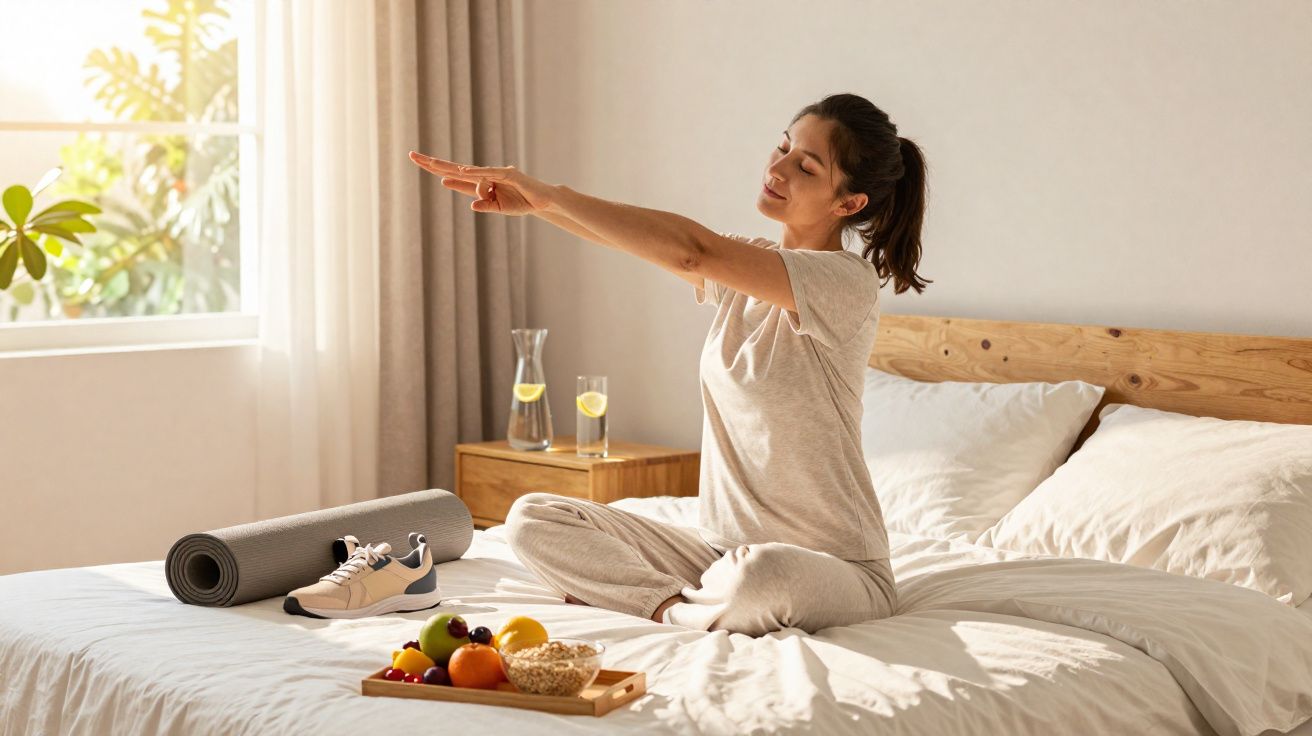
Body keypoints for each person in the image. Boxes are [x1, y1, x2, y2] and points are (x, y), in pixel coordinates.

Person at [409, 92, 931, 637]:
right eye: (783, 148)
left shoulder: (846, 283)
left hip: (835, 567)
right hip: (716, 553)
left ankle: (677, 607)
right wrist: (540, 206)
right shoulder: (743, 274)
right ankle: (670, 608)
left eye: (806, 167)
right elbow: (650, 245)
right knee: (533, 518)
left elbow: (691, 250)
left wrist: (552, 194)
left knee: (761, 575)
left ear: (848, 204)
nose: (777, 169)